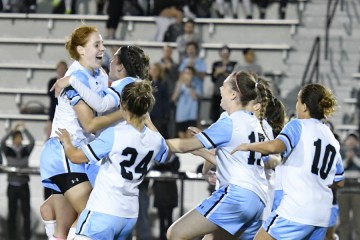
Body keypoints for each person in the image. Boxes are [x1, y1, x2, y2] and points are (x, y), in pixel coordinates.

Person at [56, 80, 169, 239]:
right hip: (129, 215)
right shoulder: (155, 140)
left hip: (104, 210)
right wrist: (148, 120)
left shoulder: (115, 133)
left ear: (122, 105)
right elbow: (165, 154)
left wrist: (67, 142)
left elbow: (75, 157)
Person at [40, 24, 124, 239]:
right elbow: (89, 124)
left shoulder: (99, 74)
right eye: (97, 44)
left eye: (103, 43)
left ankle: (51, 212)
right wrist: (126, 114)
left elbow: (105, 108)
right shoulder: (75, 77)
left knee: (66, 227)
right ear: (81, 50)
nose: (103, 48)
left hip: (80, 151)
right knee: (92, 217)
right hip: (66, 150)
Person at [231, 83, 346, 240]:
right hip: (321, 214)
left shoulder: (297, 125)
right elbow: (339, 181)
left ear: (304, 106)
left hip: (296, 208)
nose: (297, 105)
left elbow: (275, 146)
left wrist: (247, 145)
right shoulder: (331, 138)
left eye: (298, 101)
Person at [166, 71, 268, 239]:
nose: (220, 88)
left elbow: (183, 146)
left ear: (233, 94)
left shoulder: (229, 122)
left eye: (224, 85)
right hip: (258, 200)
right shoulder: (257, 124)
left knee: (175, 233)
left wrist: (152, 142)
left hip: (236, 195)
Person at [1, 122, 35, 240]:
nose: (18, 139)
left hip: (24, 186)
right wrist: (12, 130)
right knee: (12, 213)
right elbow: (2, 142)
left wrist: (24, 129)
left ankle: (27, 236)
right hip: (12, 186)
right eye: (16, 137)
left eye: (20, 137)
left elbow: (32, 141)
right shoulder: (8, 150)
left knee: (26, 214)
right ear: (13, 139)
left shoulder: (26, 150)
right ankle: (11, 237)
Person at [152, 153, 180, 240]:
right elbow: (154, 170)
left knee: (169, 217)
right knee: (161, 217)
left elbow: (174, 169)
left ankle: (169, 237)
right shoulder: (157, 159)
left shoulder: (175, 159)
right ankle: (161, 237)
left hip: (170, 191)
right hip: (159, 190)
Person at [337, 133, 360, 240]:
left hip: (357, 192)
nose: (351, 141)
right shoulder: (340, 152)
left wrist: (354, 158)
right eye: (349, 139)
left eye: (353, 139)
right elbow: (338, 169)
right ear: (345, 141)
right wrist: (347, 159)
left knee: (358, 221)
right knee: (344, 220)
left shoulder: (359, 152)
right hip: (343, 192)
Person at [171, 66, 202, 139]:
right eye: (185, 73)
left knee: (189, 139)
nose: (187, 75)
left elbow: (195, 97)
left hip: (191, 116)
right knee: (182, 140)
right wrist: (179, 84)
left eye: (189, 73)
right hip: (180, 116)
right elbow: (173, 99)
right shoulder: (179, 84)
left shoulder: (196, 83)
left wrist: (189, 85)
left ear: (192, 75)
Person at [210, 45, 237, 122]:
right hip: (217, 92)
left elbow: (235, 78)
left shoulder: (234, 64)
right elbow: (213, 78)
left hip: (229, 93)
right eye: (223, 53)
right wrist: (217, 73)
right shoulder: (216, 64)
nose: (224, 55)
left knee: (229, 115)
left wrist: (224, 72)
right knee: (215, 115)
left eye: (226, 53)